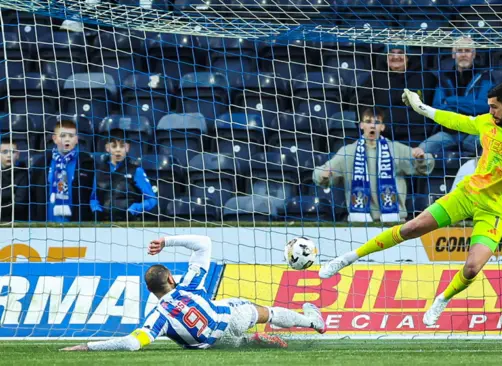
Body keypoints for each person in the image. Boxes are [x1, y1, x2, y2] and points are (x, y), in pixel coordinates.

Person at [319, 82, 502, 328]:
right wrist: (421, 108)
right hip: (466, 195)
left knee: (473, 268)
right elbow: (454, 120)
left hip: (496, 210)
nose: (491, 112)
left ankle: (442, 298)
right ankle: (348, 257)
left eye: (494, 108)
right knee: (412, 228)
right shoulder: (486, 122)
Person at [61, 235, 325, 352]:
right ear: (171, 279)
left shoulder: (158, 317)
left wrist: (86, 346)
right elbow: (204, 244)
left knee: (221, 329)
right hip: (230, 319)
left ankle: (251, 341)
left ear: (150, 290)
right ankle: (313, 321)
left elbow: (132, 342)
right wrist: (166, 241)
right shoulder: (188, 285)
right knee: (267, 312)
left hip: (212, 344)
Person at [313, 107, 434, 222]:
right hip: (361, 225)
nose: (372, 125)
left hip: (394, 222)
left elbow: (425, 167)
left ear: (382, 127)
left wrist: (422, 158)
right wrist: (323, 175)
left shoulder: (395, 149)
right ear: (361, 125)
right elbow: (319, 174)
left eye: (377, 122)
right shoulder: (348, 152)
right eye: (368, 121)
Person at [355, 45, 438, 143]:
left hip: (416, 136)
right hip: (383, 135)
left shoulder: (426, 77)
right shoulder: (374, 78)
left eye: (400, 52)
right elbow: (362, 105)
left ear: (407, 57)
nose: (396, 57)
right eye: (391, 53)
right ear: (386, 57)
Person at [421, 36, 489, 155]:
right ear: (453, 55)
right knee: (421, 150)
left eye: (467, 51)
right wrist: (468, 104)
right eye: (459, 51)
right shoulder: (444, 78)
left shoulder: (485, 76)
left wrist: (451, 101)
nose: (463, 54)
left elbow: (484, 106)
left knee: (490, 149)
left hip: (474, 132)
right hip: (448, 132)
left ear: (474, 54)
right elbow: (438, 106)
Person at [31, 119, 95, 222]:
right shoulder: (41, 163)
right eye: (63, 136)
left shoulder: (87, 164)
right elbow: (33, 196)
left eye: (71, 136)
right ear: (54, 138)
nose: (67, 139)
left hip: (77, 227)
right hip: (46, 226)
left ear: (77, 139)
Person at [91, 129, 158, 221]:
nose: (118, 150)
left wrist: (134, 209)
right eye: (114, 146)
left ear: (127, 148)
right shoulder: (99, 172)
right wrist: (96, 210)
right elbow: (94, 199)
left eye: (122, 146)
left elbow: (152, 200)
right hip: (105, 223)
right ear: (107, 148)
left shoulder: (136, 171)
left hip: (129, 222)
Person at [0, 137, 28, 221]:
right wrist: (10, 195)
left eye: (12, 152)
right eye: (5, 152)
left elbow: (19, 204)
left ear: (18, 155)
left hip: (16, 222)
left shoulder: (22, 174)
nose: (9, 155)